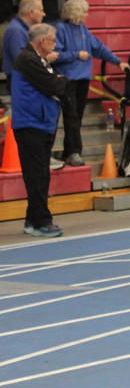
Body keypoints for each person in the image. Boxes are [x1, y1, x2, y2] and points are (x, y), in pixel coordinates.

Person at [54, 0, 130, 167]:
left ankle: (69, 151)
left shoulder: (83, 29)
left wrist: (118, 62)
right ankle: (74, 152)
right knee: (72, 116)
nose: (87, 15)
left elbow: (99, 48)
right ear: (75, 12)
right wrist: (76, 55)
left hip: (83, 78)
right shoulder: (60, 29)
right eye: (84, 12)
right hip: (67, 80)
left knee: (77, 116)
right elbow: (55, 55)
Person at [11, 23, 68, 236]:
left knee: (40, 174)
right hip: (31, 124)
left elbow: (53, 83)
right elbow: (53, 85)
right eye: (53, 41)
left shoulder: (38, 60)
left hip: (42, 123)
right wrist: (61, 81)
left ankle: (32, 219)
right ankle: (42, 221)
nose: (55, 45)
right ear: (42, 42)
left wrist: (58, 81)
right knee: (37, 175)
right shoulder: (27, 59)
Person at [3, 0, 46, 96]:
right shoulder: (16, 31)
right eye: (41, 10)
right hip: (20, 81)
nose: (44, 14)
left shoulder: (22, 29)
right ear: (31, 12)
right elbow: (22, 60)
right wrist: (45, 57)